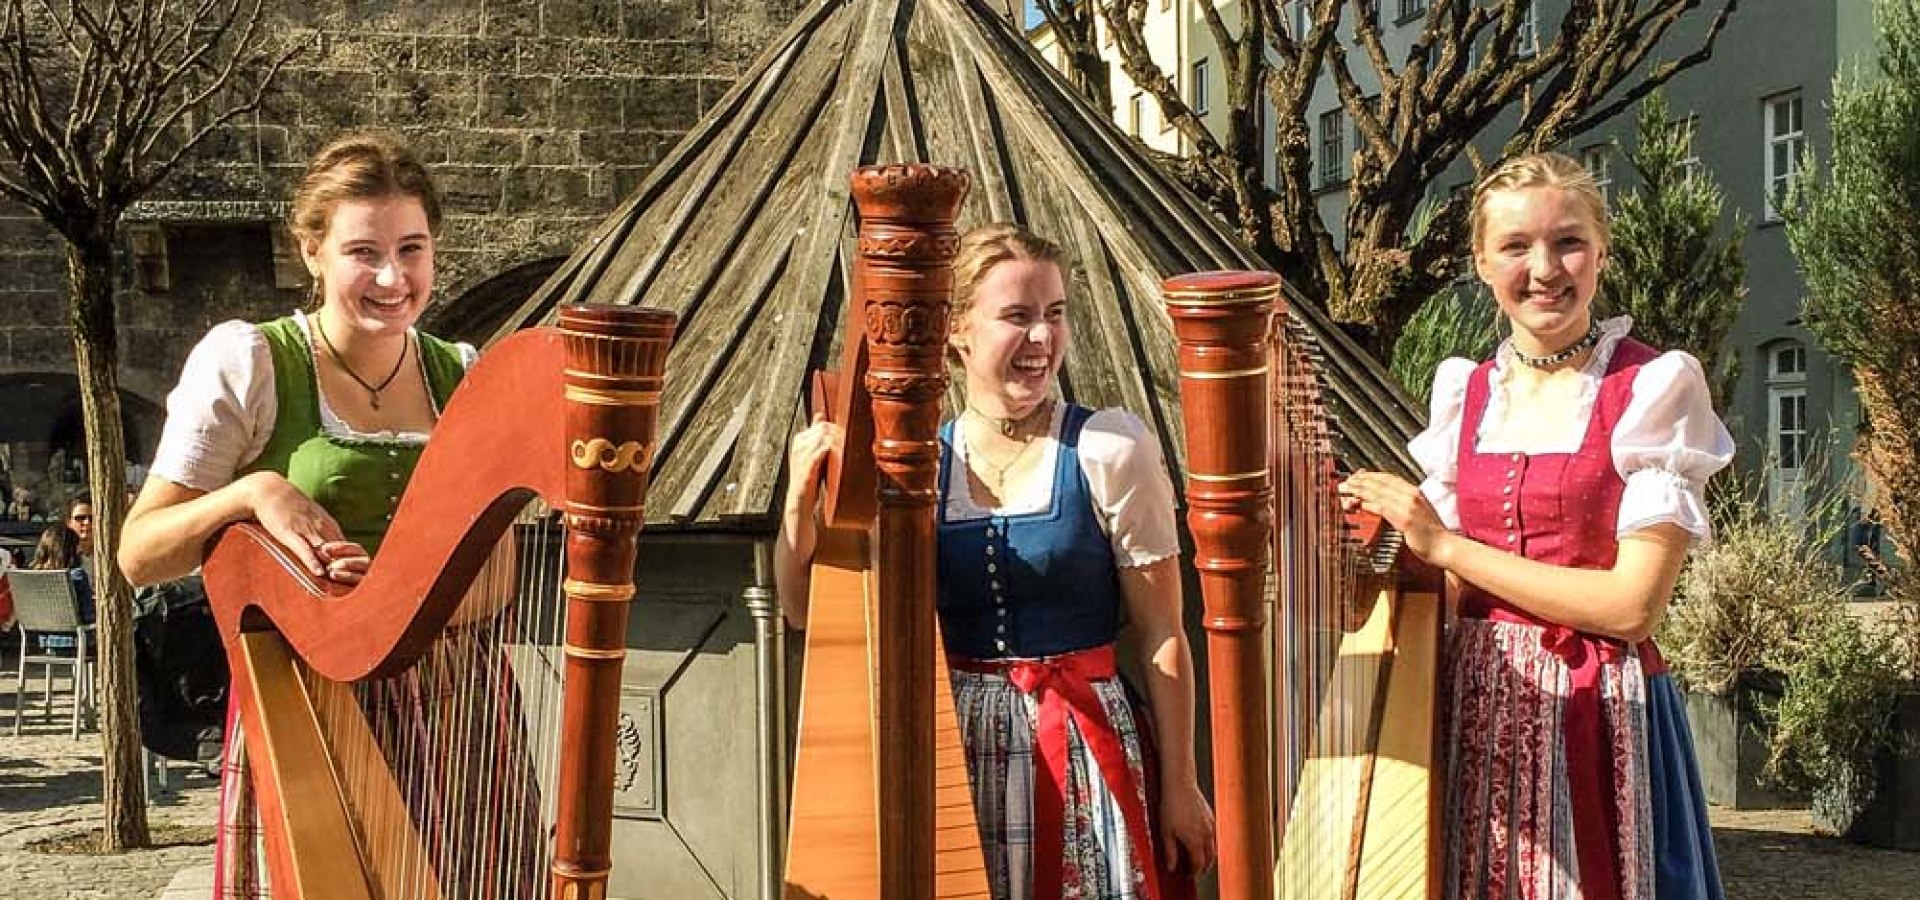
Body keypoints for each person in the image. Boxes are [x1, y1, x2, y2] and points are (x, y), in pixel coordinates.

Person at [118, 132, 536, 899]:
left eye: (412, 248)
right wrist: (251, 495)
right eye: (362, 252)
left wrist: (391, 608)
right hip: (307, 695)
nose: (391, 275)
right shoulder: (248, 362)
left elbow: (501, 571)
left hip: (460, 713)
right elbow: (140, 554)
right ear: (311, 251)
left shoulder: (464, 374)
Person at [776, 223, 1214, 900]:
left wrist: (1181, 784)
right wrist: (797, 512)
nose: (1042, 339)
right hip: (955, 753)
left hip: (1082, 740)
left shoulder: (1109, 448)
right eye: (1017, 316)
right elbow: (803, 610)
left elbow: (1162, 632)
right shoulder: (918, 466)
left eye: (1055, 315)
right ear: (957, 330)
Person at [1338, 152, 1733, 900]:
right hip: (1478, 704)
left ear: (1602, 253)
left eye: (1568, 242)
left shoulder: (1653, 386)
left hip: (1599, 716)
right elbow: (1446, 589)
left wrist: (1445, 546)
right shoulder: (1466, 390)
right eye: (1517, 246)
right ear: (1482, 262)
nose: (1545, 268)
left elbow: (1630, 607)